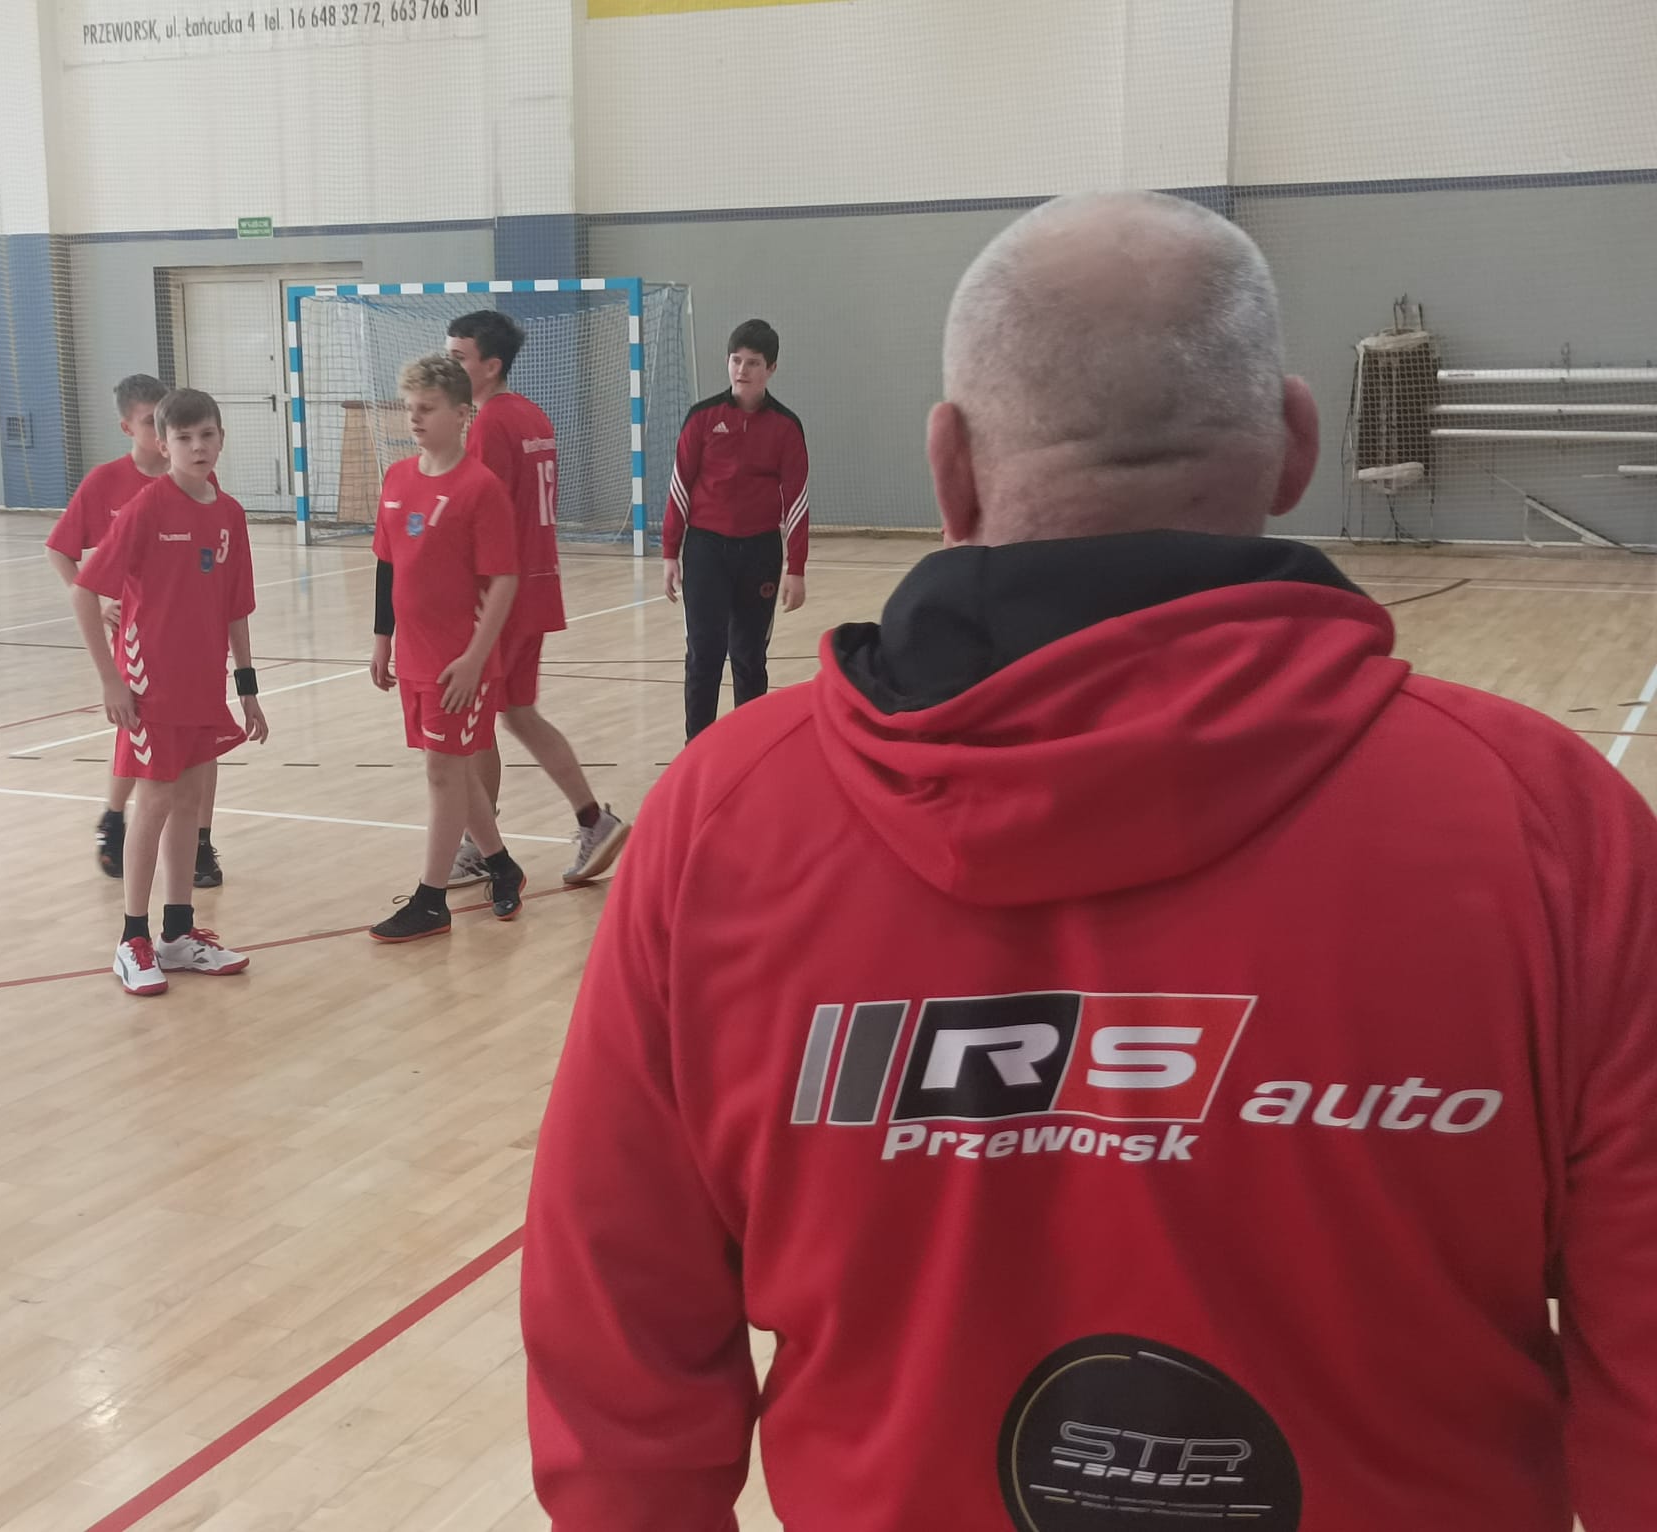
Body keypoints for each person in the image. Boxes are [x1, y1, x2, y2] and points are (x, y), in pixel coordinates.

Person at [521, 192, 1657, 1531]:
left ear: (948, 469)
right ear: (1297, 444)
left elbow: (618, 1351)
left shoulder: (722, 822)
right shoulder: (1551, 829)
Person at [72, 387, 267, 997]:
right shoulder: (147, 507)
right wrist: (111, 679)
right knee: (154, 801)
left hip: (204, 683)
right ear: (163, 444)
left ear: (221, 438)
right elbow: (84, 590)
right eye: (183, 438)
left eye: (206, 435)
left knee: (190, 801)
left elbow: (236, 608)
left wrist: (247, 688)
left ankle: (178, 934)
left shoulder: (229, 513)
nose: (197, 447)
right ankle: (132, 938)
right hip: (150, 681)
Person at [443, 310, 630, 888]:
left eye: (458, 358)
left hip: (502, 596)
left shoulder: (490, 426)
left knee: (475, 724)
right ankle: (593, 818)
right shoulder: (533, 415)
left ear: (490, 366)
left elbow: (479, 516)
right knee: (519, 714)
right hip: (539, 585)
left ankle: (480, 846)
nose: (449, 367)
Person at [46, 373, 230, 888]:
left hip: (190, 642)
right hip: (139, 641)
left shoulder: (201, 482)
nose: (164, 431)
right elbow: (61, 550)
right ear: (129, 427)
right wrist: (97, 596)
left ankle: (199, 840)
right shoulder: (108, 483)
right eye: (152, 422)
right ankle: (115, 819)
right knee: (141, 740)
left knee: (202, 742)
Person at [367, 353, 527, 943]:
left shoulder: (479, 488)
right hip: (413, 655)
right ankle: (502, 865)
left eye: (427, 408)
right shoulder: (397, 478)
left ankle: (431, 901)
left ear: (462, 415)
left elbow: (504, 580)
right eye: (410, 407)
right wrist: (382, 638)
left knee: (442, 771)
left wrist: (476, 658)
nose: (415, 418)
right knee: (453, 769)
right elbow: (387, 565)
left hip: (461, 661)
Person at [660, 318, 811, 741]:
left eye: (753, 362)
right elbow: (680, 486)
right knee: (704, 655)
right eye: (736, 360)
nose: (742, 370)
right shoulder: (701, 418)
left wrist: (796, 568)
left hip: (759, 553)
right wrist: (670, 552)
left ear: (771, 368)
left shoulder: (786, 427)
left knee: (749, 658)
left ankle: (749, 750)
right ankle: (697, 750)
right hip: (706, 550)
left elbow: (796, 501)